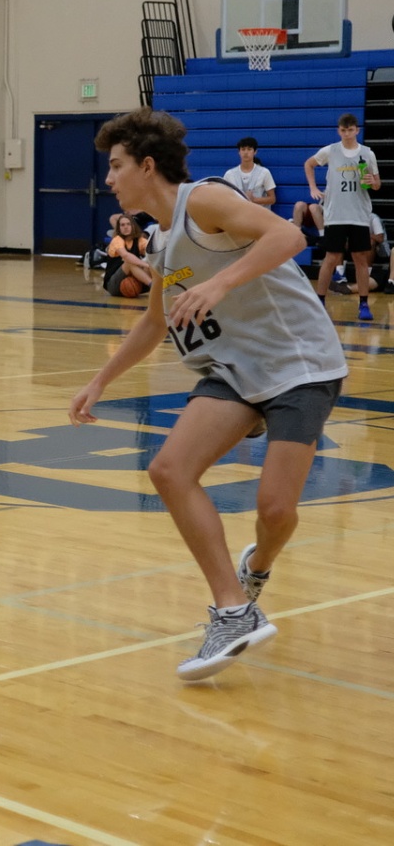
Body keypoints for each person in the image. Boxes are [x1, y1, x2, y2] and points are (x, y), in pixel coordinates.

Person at [69, 107, 347, 682]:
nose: (110, 178)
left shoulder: (204, 200)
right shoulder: (160, 245)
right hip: (235, 371)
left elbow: (290, 235)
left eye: (117, 166)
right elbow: (154, 322)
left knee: (276, 510)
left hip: (300, 365)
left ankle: (258, 566)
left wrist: (219, 283)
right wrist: (99, 381)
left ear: (148, 166)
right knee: (169, 470)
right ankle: (233, 611)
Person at [305, 113, 382, 319]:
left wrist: (373, 182)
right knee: (331, 258)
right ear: (339, 131)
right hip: (335, 214)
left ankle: (363, 304)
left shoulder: (367, 153)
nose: (347, 133)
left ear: (357, 130)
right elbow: (309, 164)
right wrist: (313, 187)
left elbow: (377, 184)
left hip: (358, 214)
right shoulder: (330, 151)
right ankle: (320, 301)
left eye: (350, 130)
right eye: (343, 130)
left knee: (360, 259)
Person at [103, 213, 152, 297]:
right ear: (119, 228)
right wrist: (145, 264)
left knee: (151, 262)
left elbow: (153, 253)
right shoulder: (117, 240)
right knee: (129, 263)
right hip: (113, 285)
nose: (126, 227)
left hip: (133, 282)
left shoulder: (139, 240)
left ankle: (160, 285)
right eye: (122, 225)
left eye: (128, 224)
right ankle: (153, 285)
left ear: (133, 226)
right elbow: (126, 256)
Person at [224, 136, 276, 207]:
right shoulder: (229, 174)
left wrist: (254, 199)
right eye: (243, 149)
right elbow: (224, 198)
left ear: (255, 152)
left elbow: (272, 199)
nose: (246, 152)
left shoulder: (264, 172)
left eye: (249, 149)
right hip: (237, 212)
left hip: (257, 212)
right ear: (239, 152)